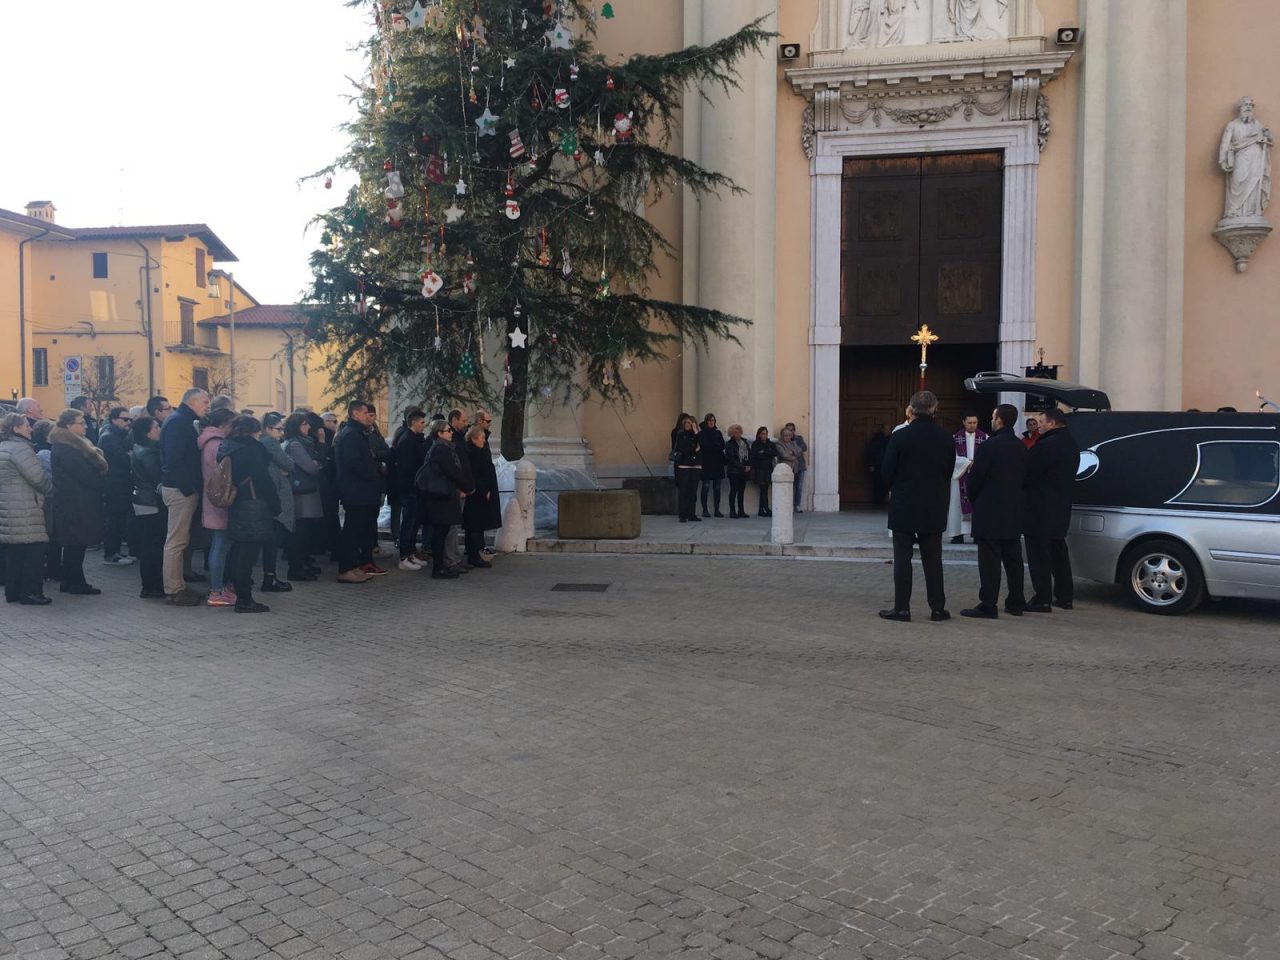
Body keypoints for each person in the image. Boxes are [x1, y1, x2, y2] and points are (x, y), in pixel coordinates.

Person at [878, 391, 956, 623]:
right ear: (935, 410)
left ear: (911, 410)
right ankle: (938, 609)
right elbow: (948, 471)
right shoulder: (945, 438)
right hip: (934, 505)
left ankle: (902, 608)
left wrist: (895, 488)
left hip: (904, 504)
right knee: (933, 560)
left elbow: (886, 471)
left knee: (902, 559)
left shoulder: (900, 436)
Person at [961, 404, 1028, 619]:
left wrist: (976, 500)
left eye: (993, 416)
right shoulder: (1021, 447)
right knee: (1013, 558)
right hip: (1013, 509)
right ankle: (1016, 602)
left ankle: (988, 604)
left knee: (989, 561)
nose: (991, 420)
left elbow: (975, 479)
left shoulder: (989, 446)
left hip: (989, 510)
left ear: (999, 420)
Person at [217, 416, 280, 613]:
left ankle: (237, 592)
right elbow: (263, 480)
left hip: (236, 502)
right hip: (254, 504)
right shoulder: (252, 449)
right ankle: (244, 600)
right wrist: (275, 504)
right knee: (247, 555)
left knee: (238, 551)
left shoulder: (227, 446)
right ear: (252, 431)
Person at [1022, 407, 1079, 612]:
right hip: (1061, 506)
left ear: (1052, 423)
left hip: (1039, 508)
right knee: (1058, 552)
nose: (1038, 425)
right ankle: (1065, 596)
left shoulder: (1045, 445)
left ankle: (1042, 598)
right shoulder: (1071, 444)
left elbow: (1027, 474)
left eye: (1041, 422)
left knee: (1039, 555)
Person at [49, 408, 108, 596]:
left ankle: (71, 580)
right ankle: (74, 582)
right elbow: (85, 474)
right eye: (80, 423)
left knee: (76, 543)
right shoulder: (66, 448)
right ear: (68, 426)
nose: (85, 426)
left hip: (77, 500)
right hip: (75, 502)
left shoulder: (72, 446)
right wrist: (100, 477)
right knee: (75, 543)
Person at [159, 388, 210, 606]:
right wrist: (188, 488)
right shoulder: (178, 422)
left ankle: (178, 585)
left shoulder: (180, 420)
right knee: (176, 541)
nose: (208, 406)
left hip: (182, 488)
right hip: (180, 490)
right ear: (192, 401)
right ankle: (173, 589)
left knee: (180, 540)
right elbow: (174, 460)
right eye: (205, 401)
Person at [0, 413, 53, 605]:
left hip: (8, 506)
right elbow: (37, 477)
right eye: (26, 425)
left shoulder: (3, 446)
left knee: (14, 552)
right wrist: (51, 489)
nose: (30, 428)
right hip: (25, 506)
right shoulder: (21, 448)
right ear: (16, 428)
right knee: (34, 550)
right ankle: (31, 592)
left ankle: (13, 592)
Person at [417, 420, 471, 579]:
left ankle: (441, 566)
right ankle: (439, 568)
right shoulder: (441, 449)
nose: (451, 432)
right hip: (441, 496)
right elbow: (453, 471)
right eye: (448, 430)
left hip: (443, 494)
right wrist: (466, 486)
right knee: (440, 533)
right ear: (439, 433)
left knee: (442, 532)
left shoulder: (442, 448)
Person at [334, 400, 381, 583]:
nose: (367, 416)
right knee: (352, 531)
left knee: (359, 530)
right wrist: (372, 472)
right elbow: (353, 462)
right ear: (355, 414)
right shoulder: (351, 434)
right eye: (364, 412)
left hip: (362, 491)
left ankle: (354, 566)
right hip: (356, 491)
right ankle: (345, 569)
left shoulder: (358, 433)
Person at [199, 407, 237, 607]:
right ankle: (216, 590)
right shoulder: (218, 444)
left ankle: (218, 587)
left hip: (212, 498)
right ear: (225, 424)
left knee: (218, 544)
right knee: (220, 546)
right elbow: (225, 473)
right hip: (221, 500)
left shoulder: (207, 441)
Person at [129, 415, 167, 599]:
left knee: (150, 544)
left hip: (143, 499)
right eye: (156, 427)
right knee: (153, 545)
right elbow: (156, 477)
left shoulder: (140, 448)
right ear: (147, 432)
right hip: (150, 501)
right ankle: (152, 585)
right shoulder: (148, 452)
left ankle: (151, 584)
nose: (159, 429)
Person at [283, 412, 325, 580]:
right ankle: (297, 568)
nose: (309, 427)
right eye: (304, 424)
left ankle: (304, 563)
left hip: (308, 491)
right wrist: (316, 462)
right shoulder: (294, 445)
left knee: (306, 530)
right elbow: (311, 467)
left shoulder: (305, 442)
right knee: (300, 531)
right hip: (301, 493)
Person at [259, 413, 298, 591]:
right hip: (276, 496)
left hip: (269, 495)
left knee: (271, 540)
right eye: (278, 429)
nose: (281, 433)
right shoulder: (270, 442)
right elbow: (289, 463)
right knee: (272, 541)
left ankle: (270, 576)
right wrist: (285, 467)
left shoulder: (262, 443)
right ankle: (270, 578)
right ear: (267, 429)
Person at [97, 406, 136, 566]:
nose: (128, 422)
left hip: (121, 483)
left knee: (120, 519)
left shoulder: (120, 435)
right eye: (125, 419)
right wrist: (130, 455)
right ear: (114, 420)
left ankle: (116, 551)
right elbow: (124, 458)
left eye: (130, 419)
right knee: (114, 520)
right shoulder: (109, 437)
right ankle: (111, 553)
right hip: (113, 484)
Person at [393, 410, 429, 569]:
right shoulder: (407, 440)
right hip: (409, 488)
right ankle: (404, 556)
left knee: (414, 523)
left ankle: (411, 552)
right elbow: (408, 467)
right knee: (408, 523)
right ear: (413, 423)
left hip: (414, 488)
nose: (424, 425)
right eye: (422, 422)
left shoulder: (414, 439)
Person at [462, 424, 501, 567]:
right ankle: (474, 555)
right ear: (474, 439)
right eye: (482, 438)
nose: (484, 440)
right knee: (475, 526)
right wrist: (485, 490)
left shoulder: (477, 451)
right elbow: (476, 474)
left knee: (476, 526)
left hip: (479, 493)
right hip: (477, 494)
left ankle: (475, 553)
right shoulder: (473, 453)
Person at [952, 413, 988, 543]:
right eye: (969, 423)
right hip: (960, 475)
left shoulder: (985, 438)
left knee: (978, 504)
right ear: (963, 422)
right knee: (957, 505)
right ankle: (958, 534)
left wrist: (976, 464)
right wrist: (967, 463)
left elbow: (988, 456)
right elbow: (951, 457)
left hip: (978, 478)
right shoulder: (955, 438)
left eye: (974, 423)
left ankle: (977, 534)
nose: (972, 425)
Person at [672, 415, 701, 523]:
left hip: (696, 465)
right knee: (684, 491)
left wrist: (696, 431)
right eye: (686, 423)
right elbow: (683, 448)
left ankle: (691, 514)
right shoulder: (681, 434)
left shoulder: (698, 434)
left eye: (690, 423)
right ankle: (683, 514)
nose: (687, 425)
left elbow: (702, 444)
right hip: (684, 465)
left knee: (693, 491)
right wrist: (694, 449)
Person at [697, 414, 726, 518]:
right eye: (709, 420)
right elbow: (704, 445)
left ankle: (717, 509)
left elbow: (722, 445)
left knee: (717, 488)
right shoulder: (702, 433)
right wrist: (715, 446)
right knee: (706, 486)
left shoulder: (718, 433)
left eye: (713, 420)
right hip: (707, 463)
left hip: (718, 463)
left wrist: (714, 446)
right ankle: (705, 510)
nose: (711, 422)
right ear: (706, 421)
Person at [775, 426, 806, 513]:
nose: (787, 437)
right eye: (785, 435)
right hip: (786, 469)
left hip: (796, 468)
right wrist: (793, 455)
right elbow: (784, 455)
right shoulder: (779, 444)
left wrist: (792, 452)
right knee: (787, 488)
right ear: (782, 436)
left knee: (797, 487)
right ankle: (787, 506)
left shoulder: (793, 443)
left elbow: (799, 452)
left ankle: (795, 505)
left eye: (789, 435)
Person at [723, 424, 751, 519]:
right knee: (734, 490)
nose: (737, 434)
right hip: (734, 471)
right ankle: (732, 511)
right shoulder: (729, 444)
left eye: (739, 432)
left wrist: (748, 465)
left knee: (741, 491)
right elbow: (731, 459)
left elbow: (749, 455)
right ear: (731, 434)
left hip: (744, 471)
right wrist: (742, 467)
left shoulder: (744, 442)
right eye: (735, 432)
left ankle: (741, 510)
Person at [749, 427, 777, 517]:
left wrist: (764, 452)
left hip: (768, 469)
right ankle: (766, 508)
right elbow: (755, 455)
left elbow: (774, 453)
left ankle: (762, 509)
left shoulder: (770, 444)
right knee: (763, 489)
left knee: (765, 489)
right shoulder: (756, 444)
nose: (764, 436)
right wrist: (766, 453)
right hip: (759, 469)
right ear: (759, 435)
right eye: (762, 434)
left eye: (766, 434)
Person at [783, 422, 808, 512]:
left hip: (800, 465)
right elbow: (785, 452)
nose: (790, 432)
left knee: (799, 486)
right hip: (790, 466)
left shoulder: (799, 438)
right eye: (788, 430)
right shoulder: (784, 440)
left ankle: (797, 505)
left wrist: (794, 450)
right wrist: (797, 450)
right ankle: (789, 505)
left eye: (791, 430)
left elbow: (804, 447)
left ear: (794, 430)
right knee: (790, 486)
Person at [866, 424, 892, 505]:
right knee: (877, 483)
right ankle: (877, 500)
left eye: (889, 429)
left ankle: (883, 499)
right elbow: (870, 452)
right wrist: (871, 464)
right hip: (877, 465)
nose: (887, 431)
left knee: (885, 483)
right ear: (882, 430)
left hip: (887, 465)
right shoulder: (876, 439)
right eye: (886, 429)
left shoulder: (891, 439)